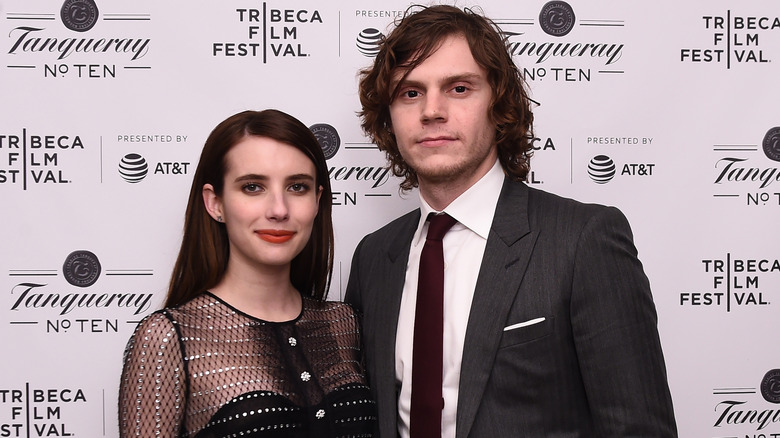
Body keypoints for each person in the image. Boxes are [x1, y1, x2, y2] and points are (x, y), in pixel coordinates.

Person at [345, 5, 677, 437]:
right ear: (389, 117)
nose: (432, 110)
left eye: (459, 88)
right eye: (410, 93)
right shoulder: (374, 255)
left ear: (498, 102)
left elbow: (638, 429)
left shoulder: (582, 240)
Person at [118, 109, 377, 437]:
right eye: (253, 187)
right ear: (216, 203)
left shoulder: (345, 323)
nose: (279, 210)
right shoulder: (170, 337)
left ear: (317, 201)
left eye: (297, 187)